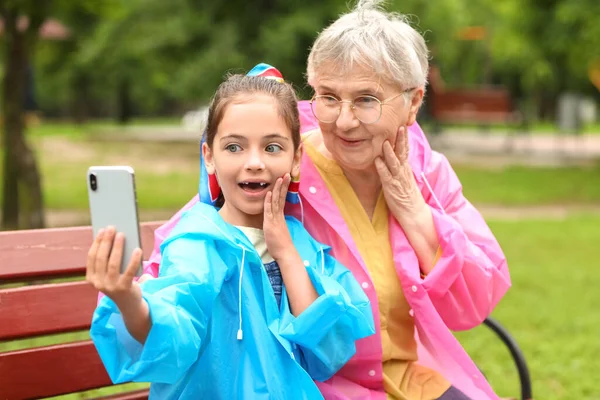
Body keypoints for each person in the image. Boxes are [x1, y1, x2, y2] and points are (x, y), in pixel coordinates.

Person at [137, 1, 512, 399]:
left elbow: (477, 301)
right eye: (329, 97)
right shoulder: (280, 166)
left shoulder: (426, 172)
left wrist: (416, 213)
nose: (345, 121)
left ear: (413, 103)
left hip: (408, 381)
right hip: (311, 383)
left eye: (367, 100)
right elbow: (192, 239)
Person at [86, 65, 375, 399]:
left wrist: (285, 253)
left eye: (272, 148)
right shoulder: (197, 243)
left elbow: (328, 350)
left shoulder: (300, 243)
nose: (254, 162)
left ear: (296, 159)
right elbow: (175, 326)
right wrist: (129, 300)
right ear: (209, 157)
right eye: (234, 147)